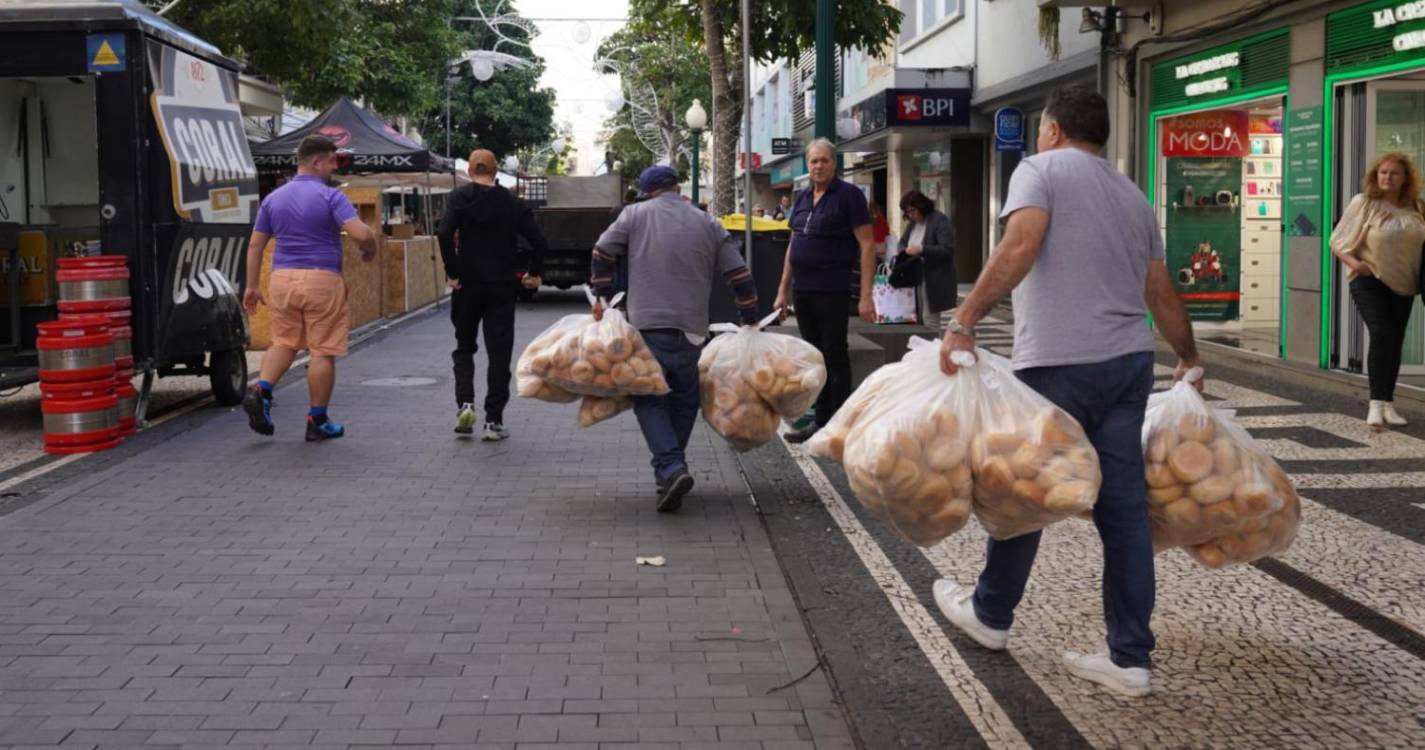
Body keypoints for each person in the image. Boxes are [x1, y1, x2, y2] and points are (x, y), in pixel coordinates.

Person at [934, 85, 1201, 698]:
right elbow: (1159, 289)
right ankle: (1130, 657)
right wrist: (1187, 354)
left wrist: (964, 320)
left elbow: (1019, 246)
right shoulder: (1132, 194)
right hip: (1128, 365)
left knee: (1023, 492)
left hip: (1058, 363)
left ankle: (992, 613)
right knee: (1125, 516)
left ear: (1052, 129)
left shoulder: (1039, 170)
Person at [590, 166, 760, 512]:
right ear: (677, 188)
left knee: (650, 397)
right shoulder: (707, 221)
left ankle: (671, 467)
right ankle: (669, 472)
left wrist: (604, 297)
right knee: (684, 400)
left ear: (647, 191)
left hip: (647, 326)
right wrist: (750, 317)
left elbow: (601, 252)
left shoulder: (634, 215)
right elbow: (739, 274)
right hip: (693, 330)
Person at [242, 135, 377, 441]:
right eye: (332, 160)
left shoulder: (273, 199)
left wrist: (252, 286)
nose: (334, 166)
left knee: (284, 342)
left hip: (281, 279)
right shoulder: (331, 196)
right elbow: (361, 233)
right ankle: (317, 421)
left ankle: (261, 390)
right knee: (322, 350)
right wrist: (370, 249)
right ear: (316, 161)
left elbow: (254, 246)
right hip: (321, 279)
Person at [437, 149, 549, 440]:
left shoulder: (458, 198)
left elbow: (444, 233)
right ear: (496, 171)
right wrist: (532, 274)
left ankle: (465, 404)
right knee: (499, 354)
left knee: (464, 347)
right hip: (501, 286)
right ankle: (493, 421)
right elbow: (539, 241)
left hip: (467, 285)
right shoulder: (513, 202)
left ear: (470, 171)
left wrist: (453, 272)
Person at [773, 138, 876, 443]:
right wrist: (783, 289)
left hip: (833, 288)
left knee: (834, 355)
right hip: (803, 291)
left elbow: (868, 245)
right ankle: (820, 420)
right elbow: (794, 245)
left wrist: (867, 295)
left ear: (835, 164)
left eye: (824, 161)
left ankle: (837, 426)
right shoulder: (803, 197)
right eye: (814, 161)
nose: (818, 166)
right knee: (813, 357)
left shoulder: (849, 196)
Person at [1329, 151, 1424, 428]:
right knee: (1382, 333)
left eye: (1394, 173)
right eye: (1383, 172)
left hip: (1405, 283)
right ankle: (1375, 404)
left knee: (1394, 341)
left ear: (1405, 178)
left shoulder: (1417, 207)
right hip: (1369, 280)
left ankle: (1389, 404)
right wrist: (1355, 265)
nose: (1387, 177)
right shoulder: (1364, 203)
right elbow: (1336, 241)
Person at [897, 190, 956, 329]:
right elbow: (903, 242)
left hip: (933, 277)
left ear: (921, 206)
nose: (910, 215)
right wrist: (903, 251)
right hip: (914, 274)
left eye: (912, 210)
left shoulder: (939, 220)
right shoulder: (913, 223)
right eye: (907, 212)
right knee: (916, 318)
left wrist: (922, 249)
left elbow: (947, 249)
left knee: (930, 320)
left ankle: (932, 349)